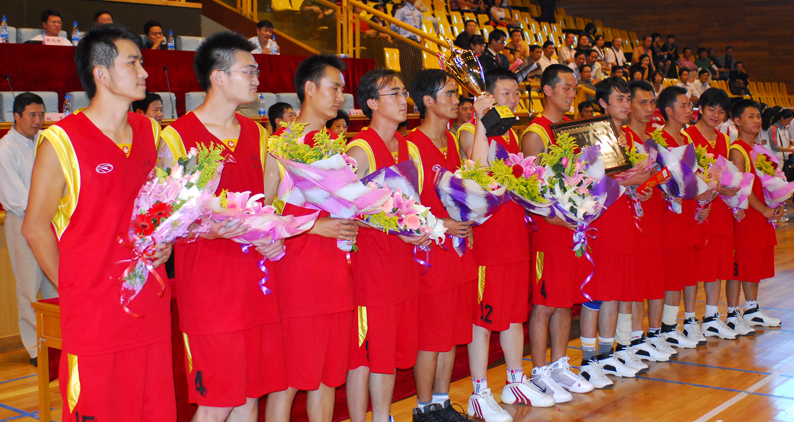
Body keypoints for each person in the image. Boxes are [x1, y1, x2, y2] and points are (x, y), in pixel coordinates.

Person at [23, 24, 175, 421]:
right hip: (94, 314)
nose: (144, 72)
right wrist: (75, 289)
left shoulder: (150, 130)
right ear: (101, 73)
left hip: (150, 304)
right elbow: (34, 227)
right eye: (133, 63)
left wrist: (166, 240)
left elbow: (159, 207)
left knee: (153, 410)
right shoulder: (62, 141)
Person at [160, 31, 287, 422]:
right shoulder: (176, 138)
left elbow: (264, 205)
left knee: (249, 396)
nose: (257, 79)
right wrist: (206, 229)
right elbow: (162, 221)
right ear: (217, 76)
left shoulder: (257, 133)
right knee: (217, 401)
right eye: (249, 71)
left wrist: (272, 235)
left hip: (257, 282)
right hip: (211, 288)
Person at [458, 67, 557, 422]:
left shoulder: (512, 134)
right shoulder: (470, 130)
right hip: (489, 242)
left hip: (515, 237)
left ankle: (515, 381)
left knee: (515, 314)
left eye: (516, 93)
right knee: (483, 319)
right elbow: (477, 170)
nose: (513, 100)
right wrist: (481, 119)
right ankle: (479, 392)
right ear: (486, 97)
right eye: (505, 94)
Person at [265, 55, 359, 422]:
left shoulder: (334, 145)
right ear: (309, 88)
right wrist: (314, 226)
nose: (340, 96)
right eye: (334, 87)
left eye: (342, 89)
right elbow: (263, 211)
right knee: (290, 377)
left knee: (327, 376)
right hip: (299, 270)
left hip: (335, 267)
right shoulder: (280, 144)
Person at [345, 69, 426, 422]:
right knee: (366, 354)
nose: (403, 99)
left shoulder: (409, 147)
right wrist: (392, 226)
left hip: (402, 263)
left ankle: (383, 416)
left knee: (389, 352)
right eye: (394, 93)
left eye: (404, 92)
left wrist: (422, 227)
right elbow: (345, 210)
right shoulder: (359, 149)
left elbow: (414, 206)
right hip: (372, 266)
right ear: (372, 103)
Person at [520, 64, 595, 402]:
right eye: (566, 87)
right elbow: (531, 192)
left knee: (565, 301)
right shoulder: (536, 133)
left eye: (574, 88)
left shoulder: (570, 130)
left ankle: (559, 365)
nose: (572, 94)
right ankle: (539, 372)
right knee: (545, 303)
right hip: (550, 229)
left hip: (572, 229)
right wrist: (556, 216)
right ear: (547, 90)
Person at [406, 69, 478, 421]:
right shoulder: (410, 145)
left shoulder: (451, 140)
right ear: (427, 101)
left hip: (458, 250)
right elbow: (404, 206)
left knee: (452, 332)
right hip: (429, 253)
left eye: (456, 93)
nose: (456, 100)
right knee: (432, 335)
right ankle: (423, 409)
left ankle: (443, 402)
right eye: (449, 94)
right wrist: (443, 223)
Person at [579, 77, 651, 387]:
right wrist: (629, 182)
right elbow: (589, 183)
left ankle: (608, 354)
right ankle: (587, 361)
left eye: (626, 99)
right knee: (597, 293)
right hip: (601, 224)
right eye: (619, 99)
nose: (625, 104)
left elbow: (625, 180)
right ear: (603, 103)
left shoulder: (628, 137)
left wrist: (640, 189)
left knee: (615, 292)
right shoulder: (593, 136)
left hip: (624, 221)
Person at [0, 92, 58, 367]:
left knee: (54, 285)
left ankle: (57, 341)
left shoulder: (44, 142)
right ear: (16, 116)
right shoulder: (5, 149)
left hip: (48, 222)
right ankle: (36, 348)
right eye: (32, 115)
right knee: (28, 287)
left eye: (41, 114)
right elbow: (17, 199)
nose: (38, 120)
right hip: (23, 222)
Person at [622, 80, 677, 361]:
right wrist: (634, 187)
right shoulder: (622, 138)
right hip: (632, 218)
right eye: (642, 102)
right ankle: (632, 338)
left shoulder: (655, 141)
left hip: (655, 214)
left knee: (655, 277)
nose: (648, 108)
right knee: (635, 281)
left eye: (651, 103)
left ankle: (654, 334)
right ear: (628, 104)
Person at [683, 88, 743, 340]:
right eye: (711, 109)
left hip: (719, 208)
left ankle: (710, 317)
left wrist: (733, 193)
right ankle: (688, 319)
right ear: (700, 109)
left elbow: (725, 174)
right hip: (696, 209)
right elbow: (683, 177)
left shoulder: (724, 139)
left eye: (721, 111)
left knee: (717, 265)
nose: (716, 114)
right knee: (693, 268)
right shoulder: (687, 135)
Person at [728, 99, 784, 329]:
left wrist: (779, 201)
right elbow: (742, 187)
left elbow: (773, 183)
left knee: (755, 264)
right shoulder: (737, 150)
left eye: (758, 116)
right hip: (746, 216)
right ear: (737, 121)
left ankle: (751, 309)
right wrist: (764, 209)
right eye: (750, 116)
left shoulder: (758, 148)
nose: (756, 120)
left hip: (761, 214)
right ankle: (732, 314)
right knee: (739, 264)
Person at [654, 86, 702, 350]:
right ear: (668, 111)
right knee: (671, 273)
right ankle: (666, 327)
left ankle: (674, 325)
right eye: (683, 106)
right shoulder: (658, 141)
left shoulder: (686, 139)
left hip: (688, 215)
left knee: (686, 271)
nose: (689, 110)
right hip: (669, 216)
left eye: (689, 105)